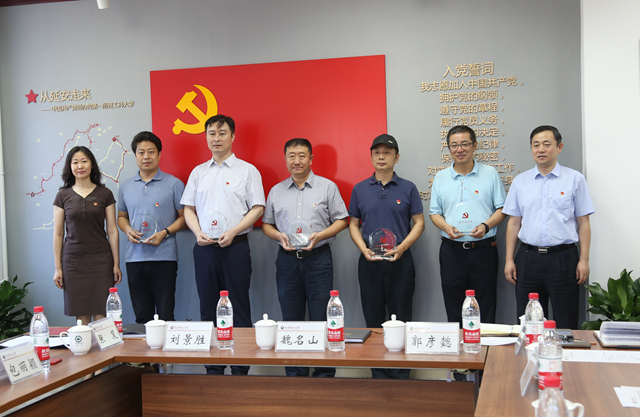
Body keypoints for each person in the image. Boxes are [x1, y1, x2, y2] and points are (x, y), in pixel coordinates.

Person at [181, 114, 265, 375]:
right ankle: (213, 369)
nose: (216, 138)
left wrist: (235, 230)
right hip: (204, 248)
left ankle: (240, 369)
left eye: (222, 133)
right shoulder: (198, 172)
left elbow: (258, 207)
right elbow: (188, 209)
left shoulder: (247, 171)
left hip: (235, 247)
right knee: (208, 307)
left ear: (233, 136)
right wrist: (197, 232)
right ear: (206, 137)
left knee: (238, 306)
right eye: (211, 133)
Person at [262, 138, 348, 377]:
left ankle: (324, 375)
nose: (297, 161)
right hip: (287, 261)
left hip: (318, 259)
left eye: (302, 155)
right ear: (285, 159)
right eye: (292, 156)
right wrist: (278, 236)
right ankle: (295, 375)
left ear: (311, 159)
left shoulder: (327, 187)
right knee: (291, 319)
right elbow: (267, 224)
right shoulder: (276, 191)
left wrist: (321, 236)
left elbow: (342, 220)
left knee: (323, 317)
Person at [348, 133, 425, 379]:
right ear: (371, 157)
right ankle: (378, 375)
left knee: (401, 319)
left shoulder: (408, 188)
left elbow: (419, 223)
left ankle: (401, 375)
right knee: (373, 320)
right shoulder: (360, 189)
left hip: (400, 262)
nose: (382, 157)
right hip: (369, 262)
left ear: (396, 157)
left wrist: (402, 247)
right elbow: (353, 224)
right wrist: (363, 249)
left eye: (387, 152)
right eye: (377, 152)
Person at [503, 125, 594, 329]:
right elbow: (514, 223)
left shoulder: (574, 179)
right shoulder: (520, 182)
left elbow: (583, 222)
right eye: (536, 145)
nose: (541, 149)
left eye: (547, 144)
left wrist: (584, 260)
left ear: (559, 147)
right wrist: (509, 259)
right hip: (528, 258)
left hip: (563, 258)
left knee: (566, 320)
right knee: (530, 322)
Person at [429, 125, 506, 324]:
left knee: (486, 302)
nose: (459, 149)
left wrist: (486, 226)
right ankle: (458, 341)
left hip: (484, 250)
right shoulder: (441, 177)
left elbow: (502, 209)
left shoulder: (490, 173)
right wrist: (446, 228)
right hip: (451, 252)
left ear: (474, 146)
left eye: (464, 144)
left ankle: (485, 342)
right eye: (454, 145)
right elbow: (434, 213)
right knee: (453, 303)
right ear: (448, 148)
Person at [117, 131, 186, 324]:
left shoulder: (174, 184)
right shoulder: (125, 186)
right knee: (142, 315)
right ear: (135, 155)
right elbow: (121, 217)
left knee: (166, 315)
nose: (146, 156)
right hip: (134, 258)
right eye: (141, 152)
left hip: (164, 258)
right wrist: (127, 229)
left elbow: (184, 218)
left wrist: (165, 232)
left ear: (159, 154)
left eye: (151, 151)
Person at [52, 146, 122, 326]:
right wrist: (58, 268)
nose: (80, 166)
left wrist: (116, 263)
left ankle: (101, 345)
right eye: (75, 162)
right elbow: (58, 233)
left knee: (101, 314)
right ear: (70, 167)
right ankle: (84, 345)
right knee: (81, 315)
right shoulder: (62, 195)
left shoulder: (105, 194)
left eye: (84, 161)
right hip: (73, 261)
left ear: (92, 165)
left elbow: (112, 230)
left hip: (101, 259)